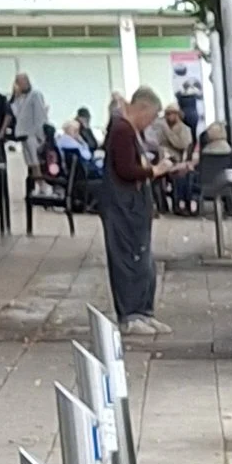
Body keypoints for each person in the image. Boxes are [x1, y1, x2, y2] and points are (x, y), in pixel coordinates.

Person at [97, 89, 162, 328]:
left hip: (131, 205)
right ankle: (131, 313)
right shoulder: (123, 131)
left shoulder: (127, 130)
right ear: (142, 109)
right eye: (152, 117)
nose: (152, 123)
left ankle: (144, 311)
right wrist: (154, 171)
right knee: (129, 258)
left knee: (142, 258)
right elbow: (125, 169)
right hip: (123, 206)